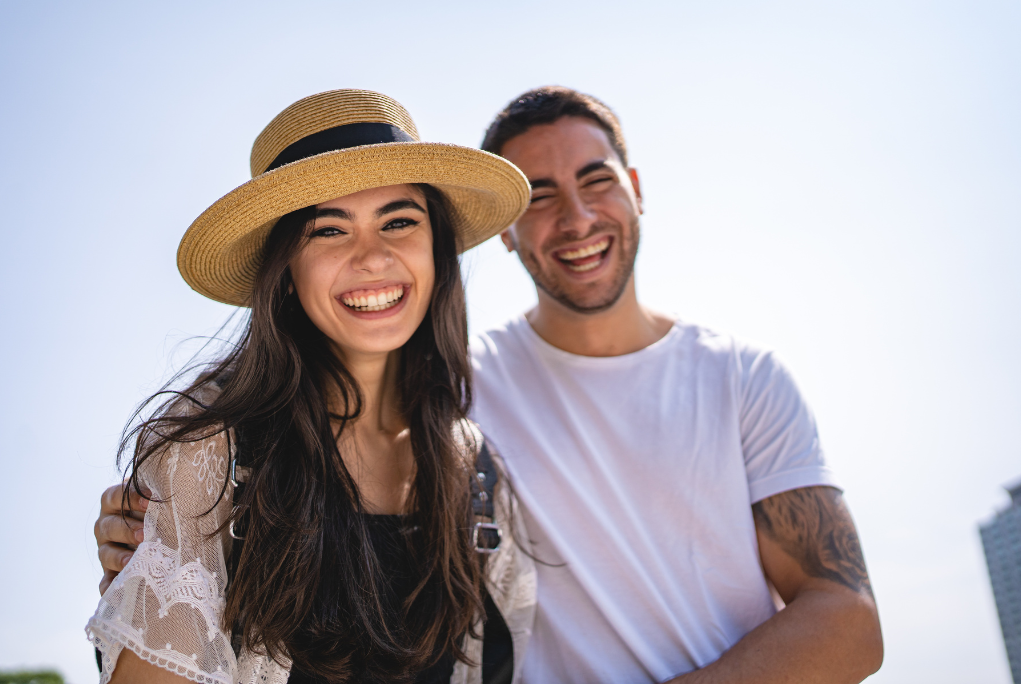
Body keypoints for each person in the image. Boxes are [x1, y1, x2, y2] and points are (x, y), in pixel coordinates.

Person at [97, 86, 884, 683]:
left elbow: (849, 616)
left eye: (596, 178)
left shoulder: (733, 379)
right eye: (328, 229)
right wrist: (163, 529)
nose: (574, 217)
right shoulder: (448, 398)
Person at [86, 89, 537, 684]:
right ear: (286, 274)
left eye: (399, 221)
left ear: (438, 249)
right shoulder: (210, 451)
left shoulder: (475, 469)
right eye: (329, 230)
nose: (373, 257)